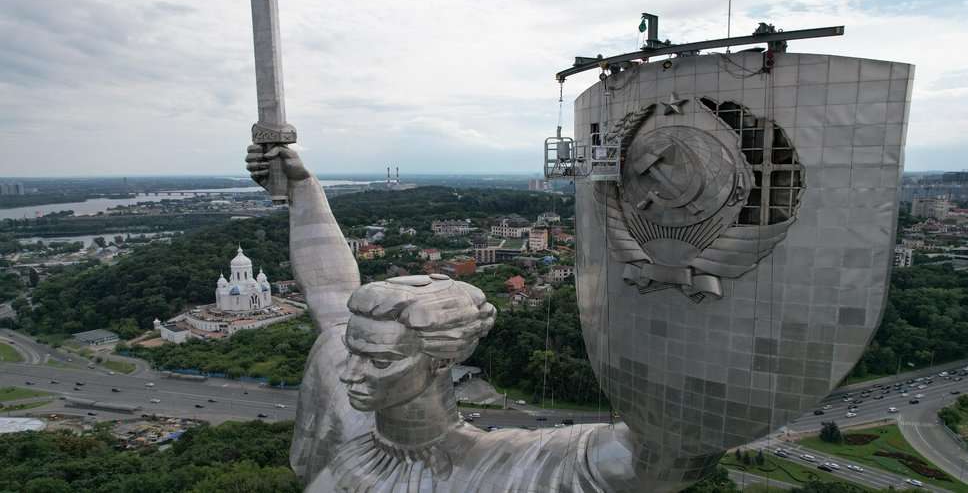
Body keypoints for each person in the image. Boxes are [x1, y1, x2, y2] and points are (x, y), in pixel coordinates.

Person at [245, 145, 702, 493]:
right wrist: (302, 188)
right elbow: (329, 292)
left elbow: (660, 458)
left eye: (379, 361)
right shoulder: (351, 415)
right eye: (355, 352)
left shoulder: (500, 468)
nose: (348, 372)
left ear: (442, 362)